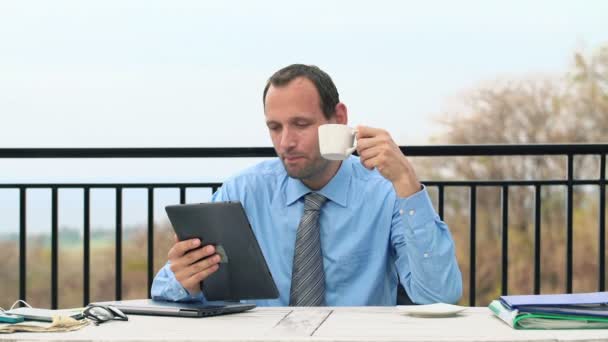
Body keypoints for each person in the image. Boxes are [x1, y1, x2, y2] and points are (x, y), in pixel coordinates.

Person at [151, 64, 462, 306]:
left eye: (301, 125)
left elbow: (438, 295)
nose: (286, 142)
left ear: (338, 118)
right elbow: (164, 290)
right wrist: (185, 279)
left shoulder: (387, 193)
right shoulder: (242, 193)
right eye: (275, 127)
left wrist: (407, 183)